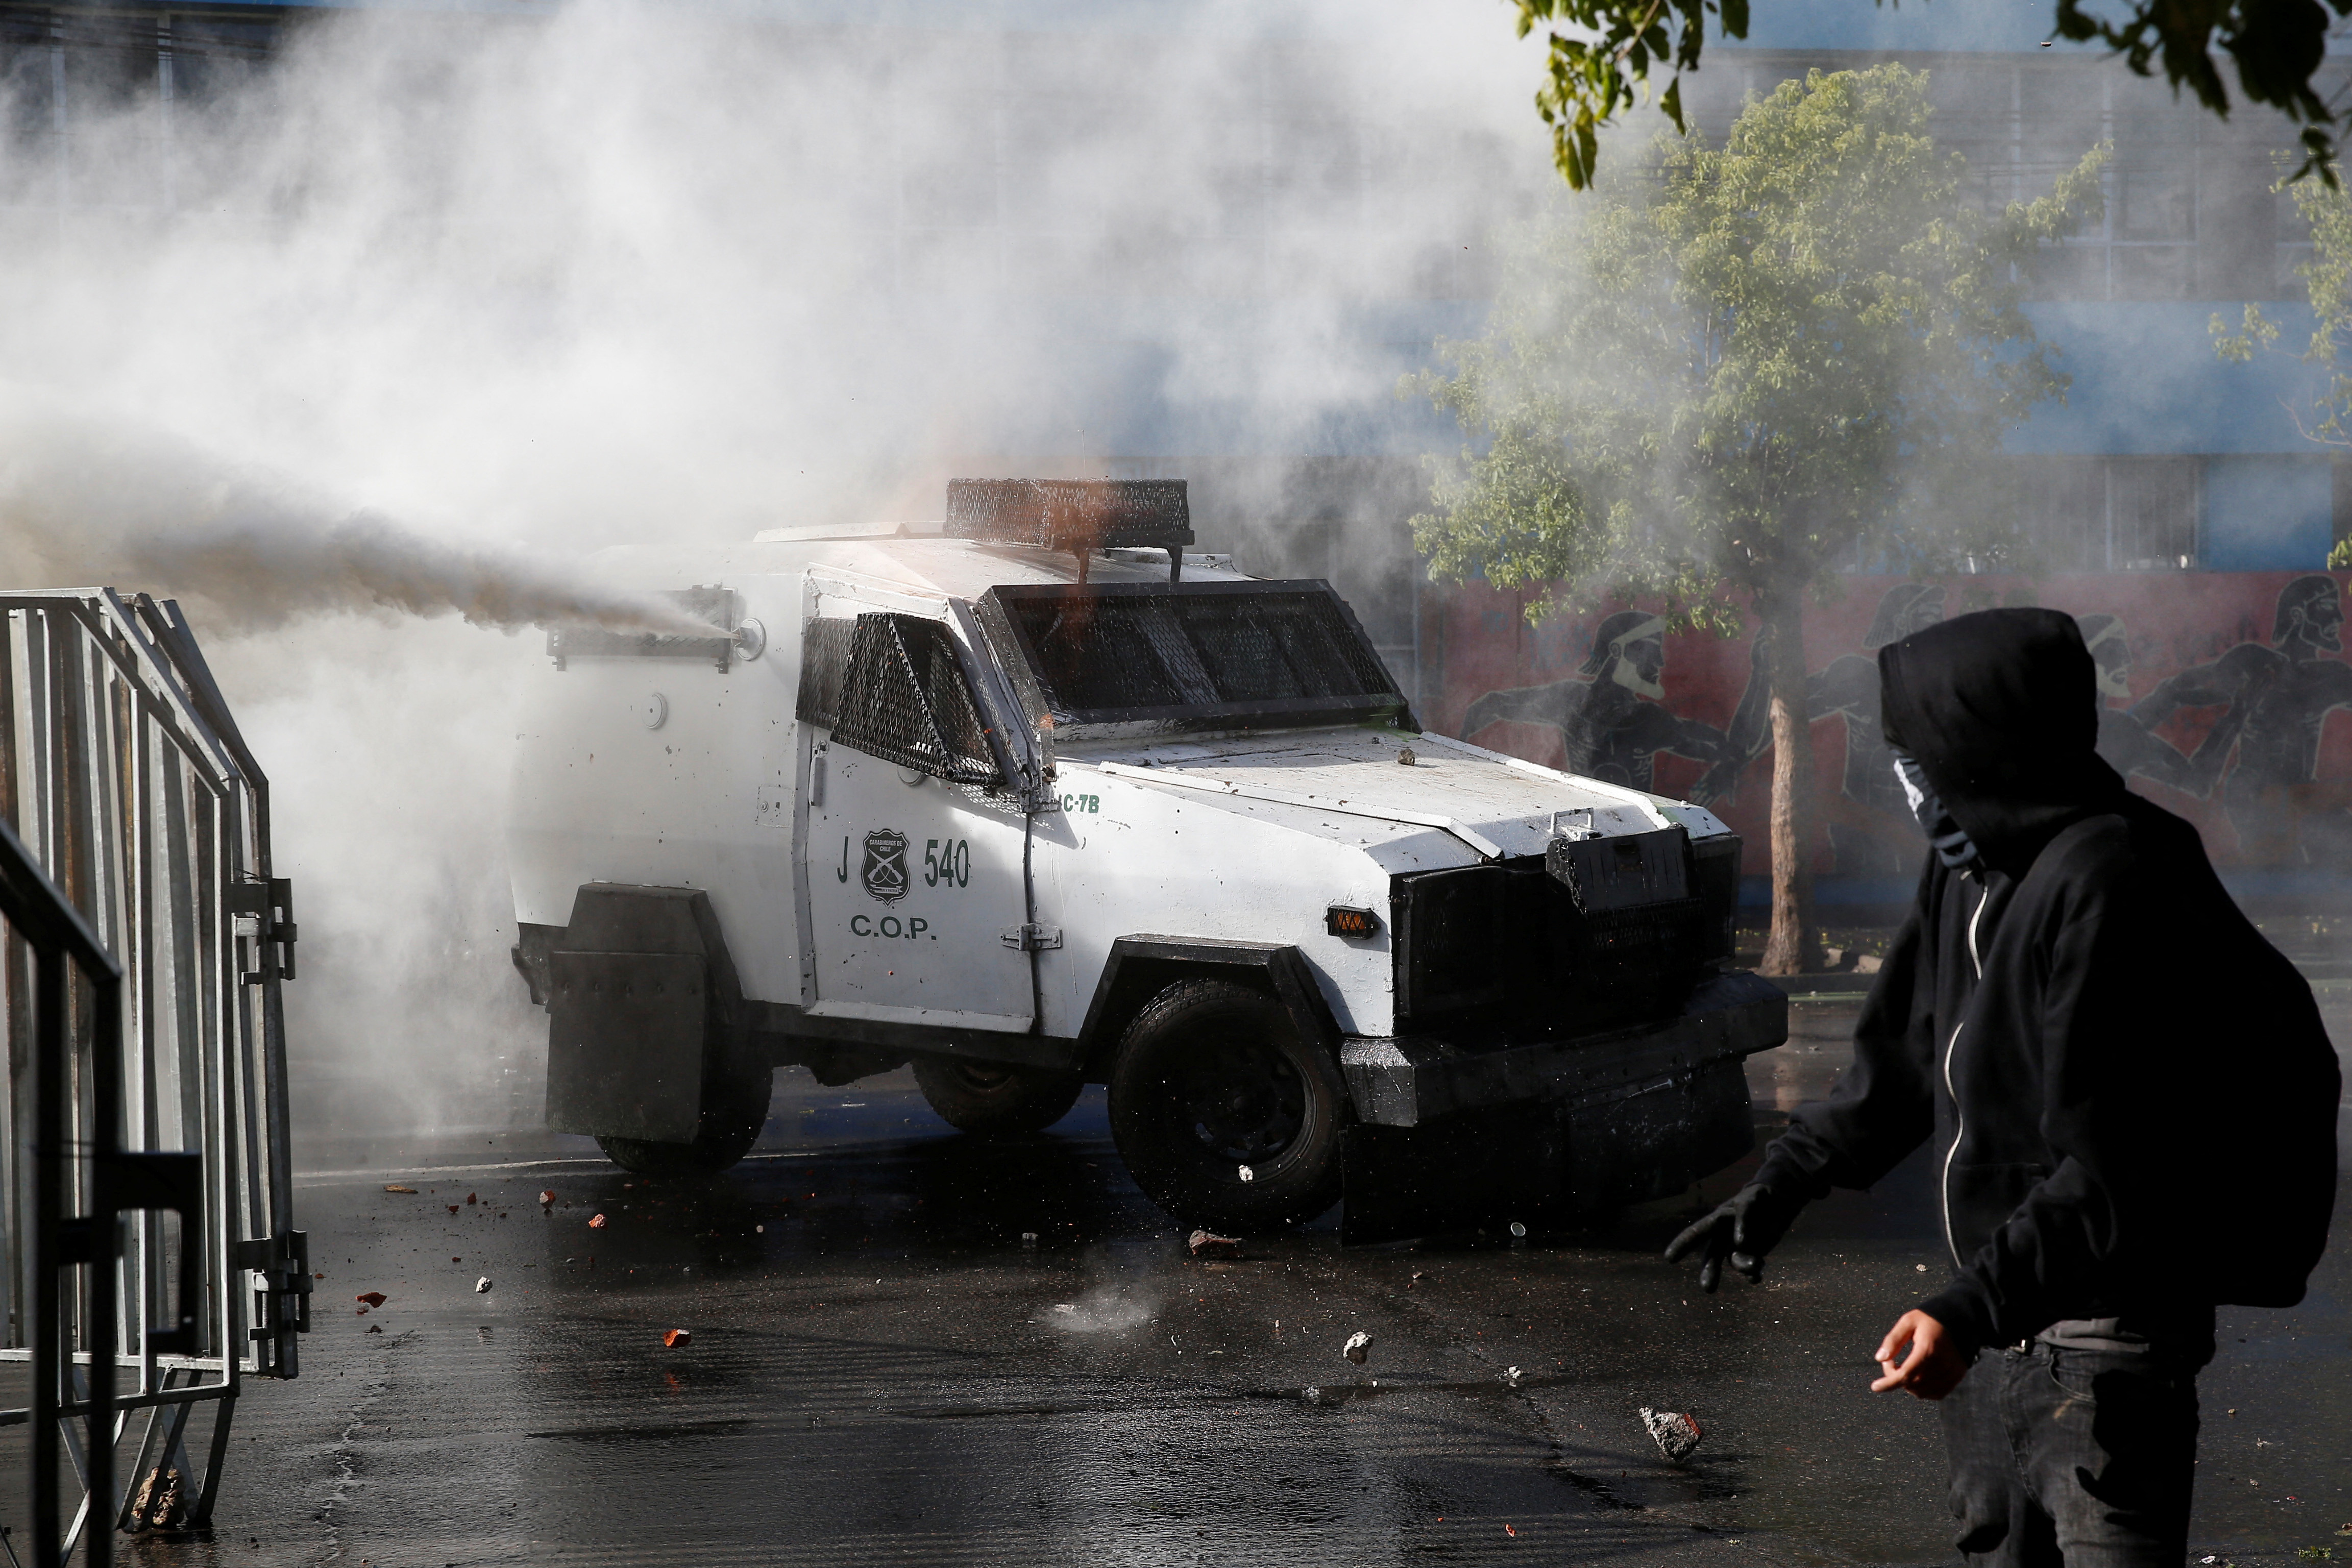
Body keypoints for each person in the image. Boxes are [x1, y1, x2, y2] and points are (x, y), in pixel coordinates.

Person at [1666, 607, 2338, 1568]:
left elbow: (2119, 1161)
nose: (1908, 779)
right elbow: (1900, 1059)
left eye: (1920, 753)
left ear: (1988, 742)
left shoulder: (2119, 877)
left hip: (2109, 1336)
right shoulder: (1970, 869)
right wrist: (1785, 1182)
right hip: (1999, 1318)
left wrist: (1968, 1309)